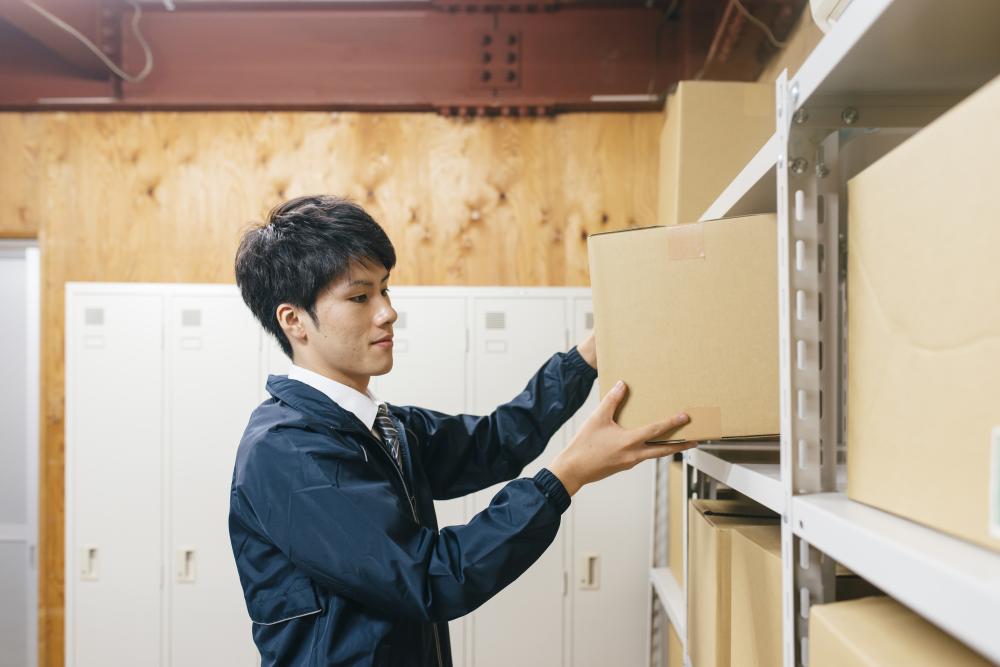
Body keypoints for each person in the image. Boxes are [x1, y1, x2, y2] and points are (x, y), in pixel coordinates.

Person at [230, 195, 695, 666]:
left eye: (385, 290)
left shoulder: (379, 425)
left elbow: (493, 443)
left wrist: (587, 357)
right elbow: (431, 577)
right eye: (359, 297)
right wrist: (564, 477)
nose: (387, 312)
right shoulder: (289, 451)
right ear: (294, 321)